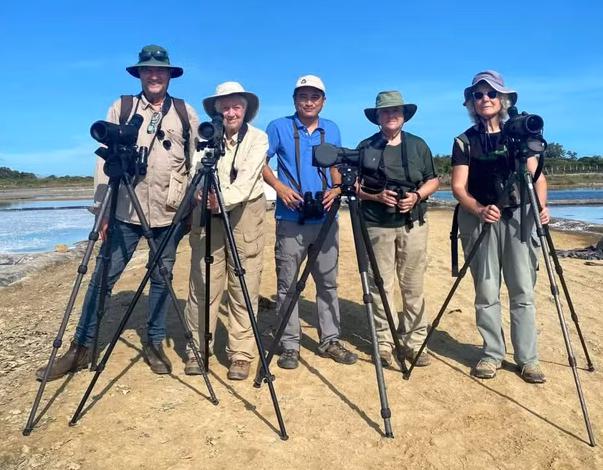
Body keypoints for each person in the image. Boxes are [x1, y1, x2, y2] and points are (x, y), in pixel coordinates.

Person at [36, 45, 198, 380]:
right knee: (101, 280)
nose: (154, 76)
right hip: (125, 209)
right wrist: (102, 211)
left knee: (161, 280)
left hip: (168, 214)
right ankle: (80, 348)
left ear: (170, 75)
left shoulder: (185, 113)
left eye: (160, 71)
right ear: (139, 74)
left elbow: (196, 163)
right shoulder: (121, 107)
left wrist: (190, 209)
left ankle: (155, 344)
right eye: (147, 70)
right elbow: (103, 163)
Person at [451, 70, 550, 384]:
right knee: (486, 290)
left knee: (522, 289)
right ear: (472, 102)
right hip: (481, 219)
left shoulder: (518, 135)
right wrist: (479, 209)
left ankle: (528, 360)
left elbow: (538, 178)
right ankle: (492, 354)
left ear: (504, 99)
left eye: (491, 93)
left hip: (520, 218)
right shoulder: (464, 141)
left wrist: (543, 208)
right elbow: (458, 187)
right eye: (478, 95)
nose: (485, 99)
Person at [262, 75, 358, 369]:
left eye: (315, 96)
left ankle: (329, 340)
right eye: (303, 95)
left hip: (326, 218)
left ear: (323, 101)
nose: (309, 101)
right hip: (290, 217)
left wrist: (337, 189)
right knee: (287, 283)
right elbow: (260, 162)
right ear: (294, 99)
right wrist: (279, 188)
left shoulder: (333, 129)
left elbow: (338, 167)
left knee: (327, 283)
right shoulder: (278, 127)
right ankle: (290, 344)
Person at [182, 82, 269, 381]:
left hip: (244, 212)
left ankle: (241, 354)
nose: (231, 113)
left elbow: (247, 179)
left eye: (237, 107)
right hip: (206, 211)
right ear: (217, 110)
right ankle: (197, 348)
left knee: (243, 283)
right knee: (203, 283)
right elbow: (195, 169)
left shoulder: (258, 138)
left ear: (245, 111)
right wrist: (200, 197)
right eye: (225, 107)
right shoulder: (203, 136)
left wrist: (220, 200)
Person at [356, 91, 440, 368]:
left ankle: (414, 342)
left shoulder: (419, 146)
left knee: (413, 285)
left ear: (404, 116)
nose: (392, 116)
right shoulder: (366, 146)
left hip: (413, 224)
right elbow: (353, 186)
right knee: (381, 285)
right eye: (386, 112)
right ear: (377, 117)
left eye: (397, 112)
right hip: (376, 224)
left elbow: (433, 181)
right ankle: (384, 342)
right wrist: (376, 196)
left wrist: (416, 196)